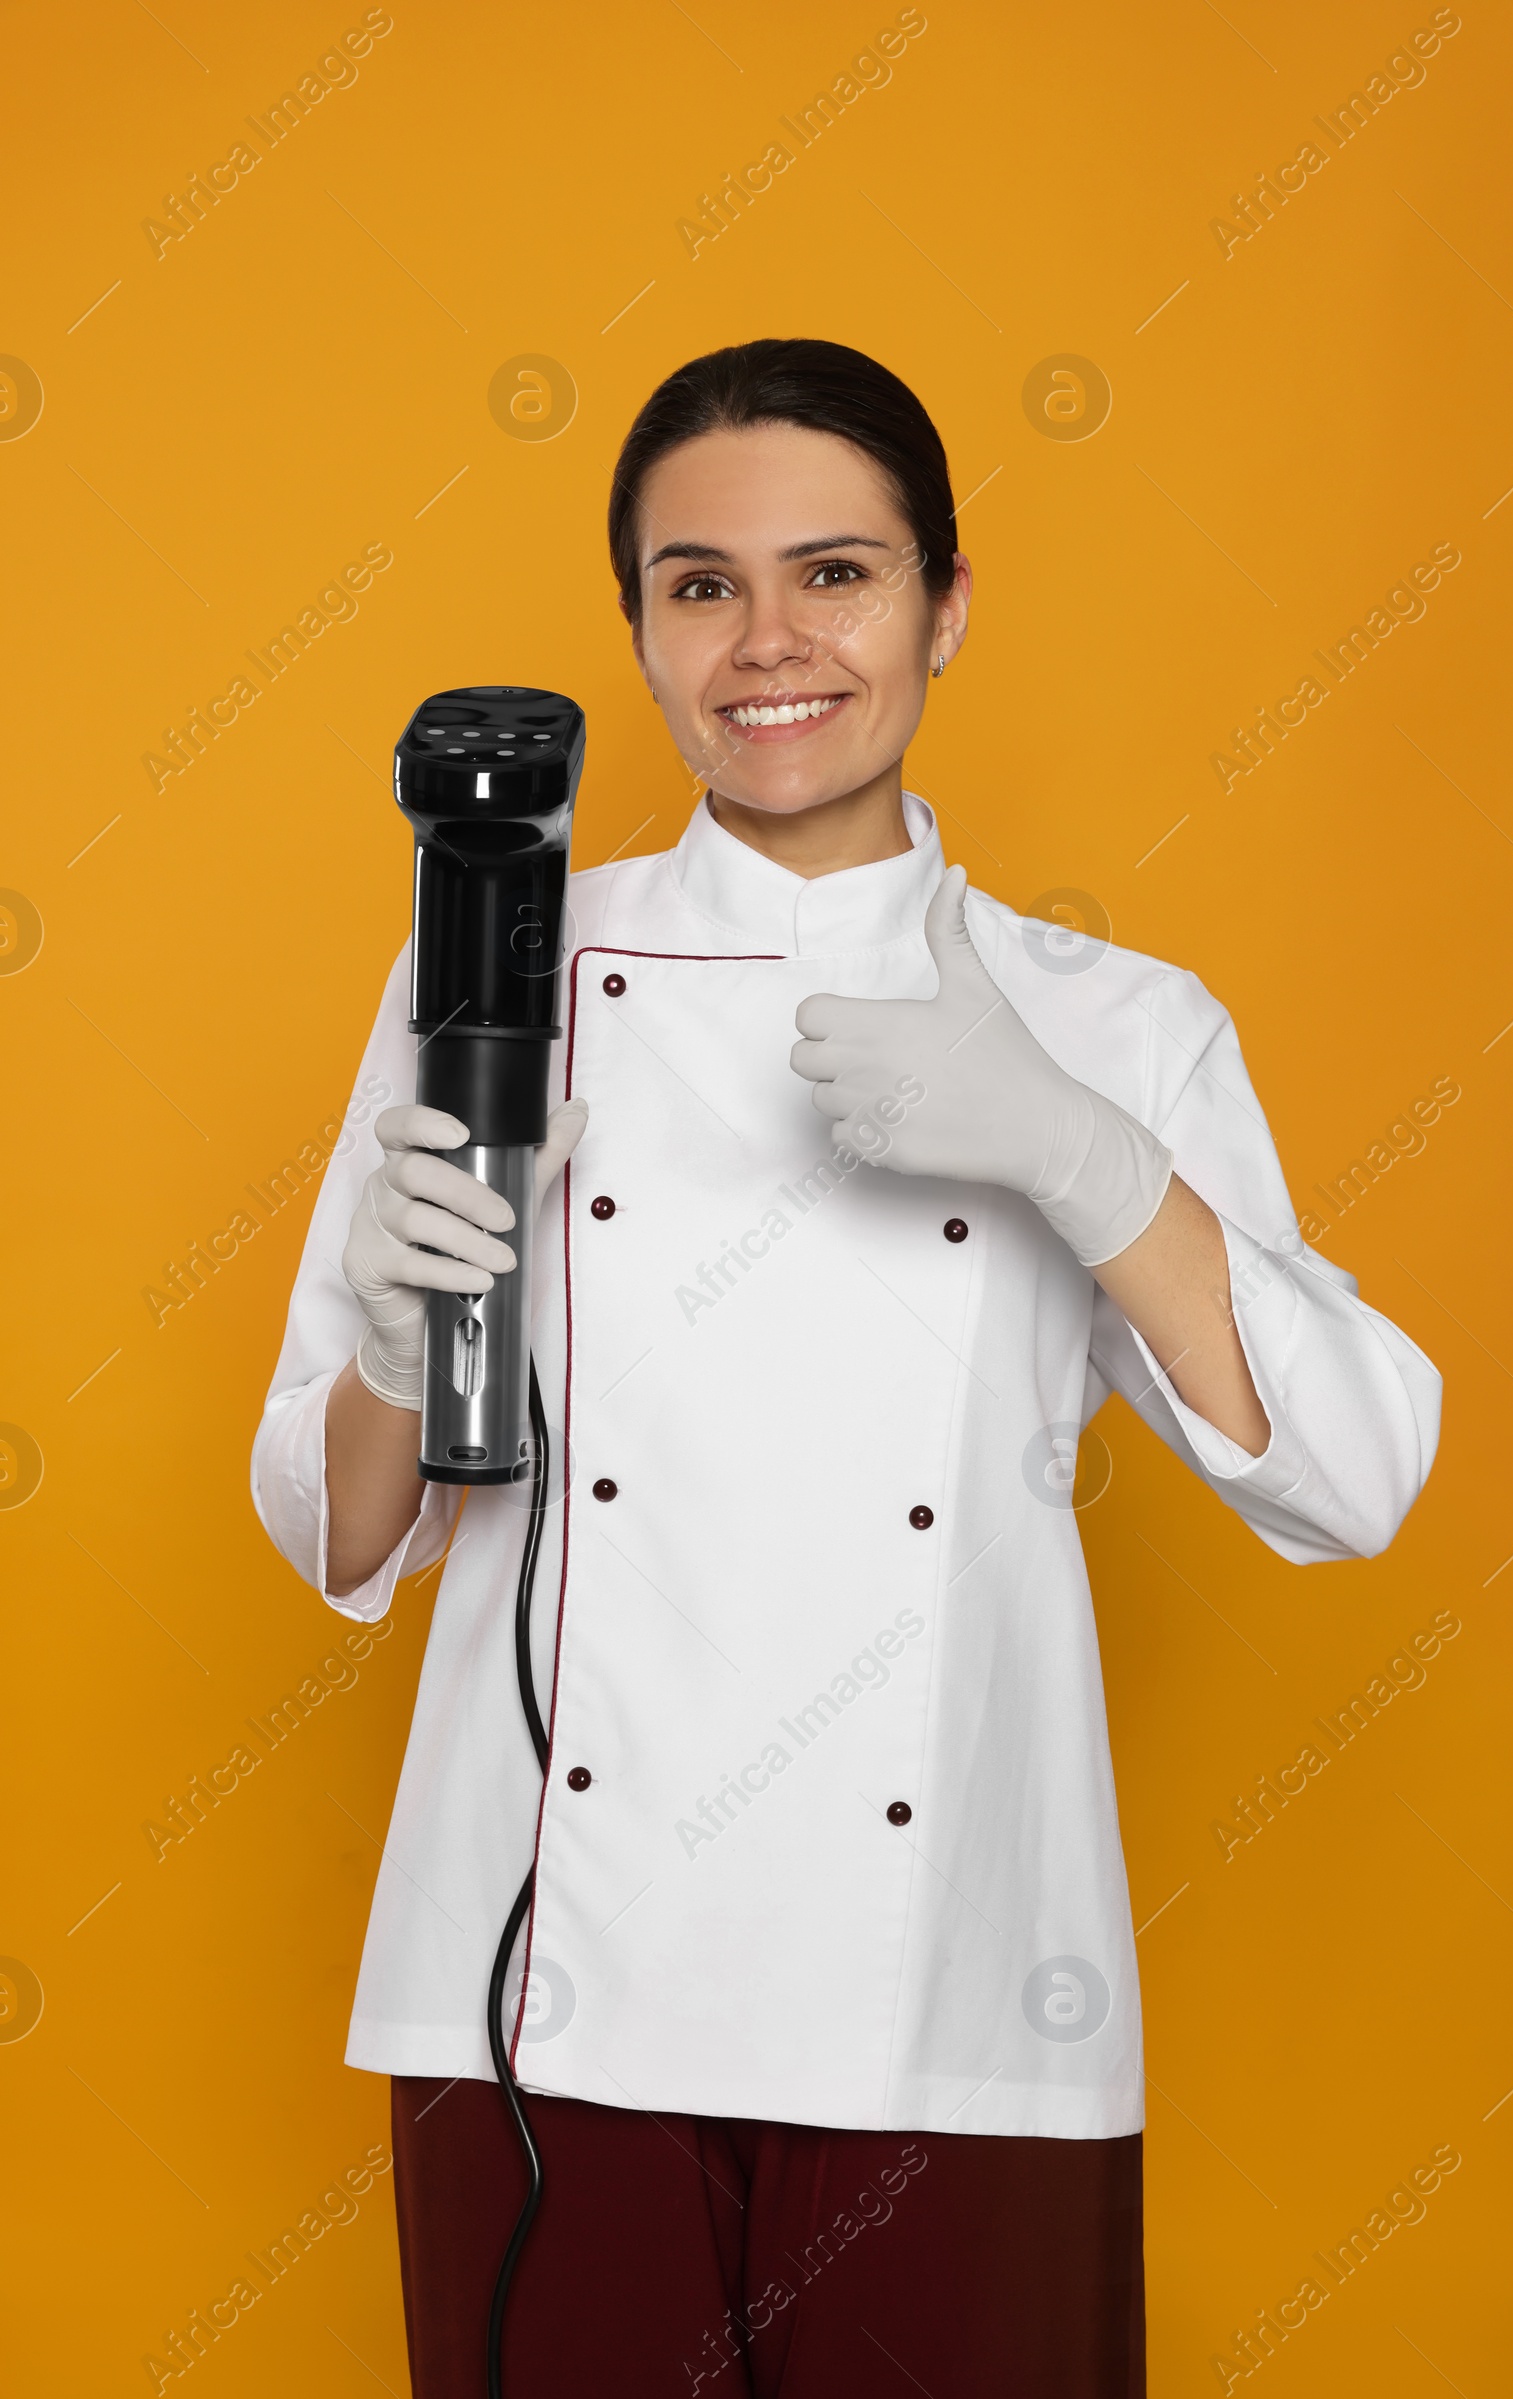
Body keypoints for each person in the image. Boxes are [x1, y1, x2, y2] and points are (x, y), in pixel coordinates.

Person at [252, 338, 1442, 2398]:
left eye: (837, 574)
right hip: (541, 1994)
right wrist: (390, 1330)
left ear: (943, 607)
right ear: (633, 624)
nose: (767, 642)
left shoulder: (1109, 1018)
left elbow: (1346, 1475)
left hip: (956, 1987)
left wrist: (1088, 1160)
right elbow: (349, 1533)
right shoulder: (495, 966)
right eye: (698, 585)